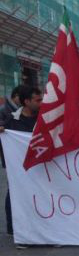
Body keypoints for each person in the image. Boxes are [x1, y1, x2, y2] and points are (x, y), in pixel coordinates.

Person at [0, 86, 42, 246]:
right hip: (17, 167)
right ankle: (14, 228)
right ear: (26, 102)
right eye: (37, 100)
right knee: (15, 194)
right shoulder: (11, 120)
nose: (41, 103)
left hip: (38, 166)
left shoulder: (44, 119)